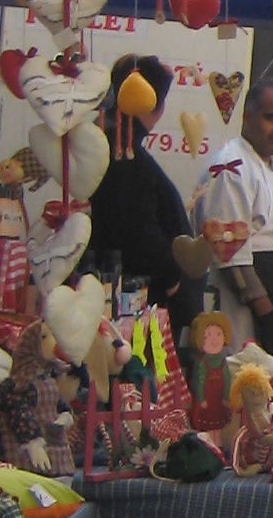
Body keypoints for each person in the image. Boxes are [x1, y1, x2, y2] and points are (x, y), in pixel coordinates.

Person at [193, 76, 273, 366]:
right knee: (251, 388)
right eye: (270, 118)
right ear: (247, 116)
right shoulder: (231, 168)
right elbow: (228, 252)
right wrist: (265, 310)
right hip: (254, 306)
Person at [84, 55, 201, 333]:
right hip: (133, 301)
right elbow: (136, 227)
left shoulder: (104, 137)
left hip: (119, 291)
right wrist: (172, 278)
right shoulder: (122, 149)